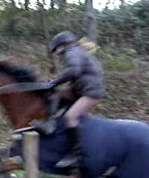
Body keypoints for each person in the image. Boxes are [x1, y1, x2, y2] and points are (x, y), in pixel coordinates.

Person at [34, 31, 106, 168]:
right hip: (82, 88)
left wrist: (55, 82)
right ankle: (49, 124)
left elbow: (73, 71)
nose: (56, 54)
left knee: (70, 117)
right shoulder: (77, 51)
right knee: (56, 95)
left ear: (62, 46)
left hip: (90, 92)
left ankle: (75, 155)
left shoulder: (71, 52)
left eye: (56, 50)